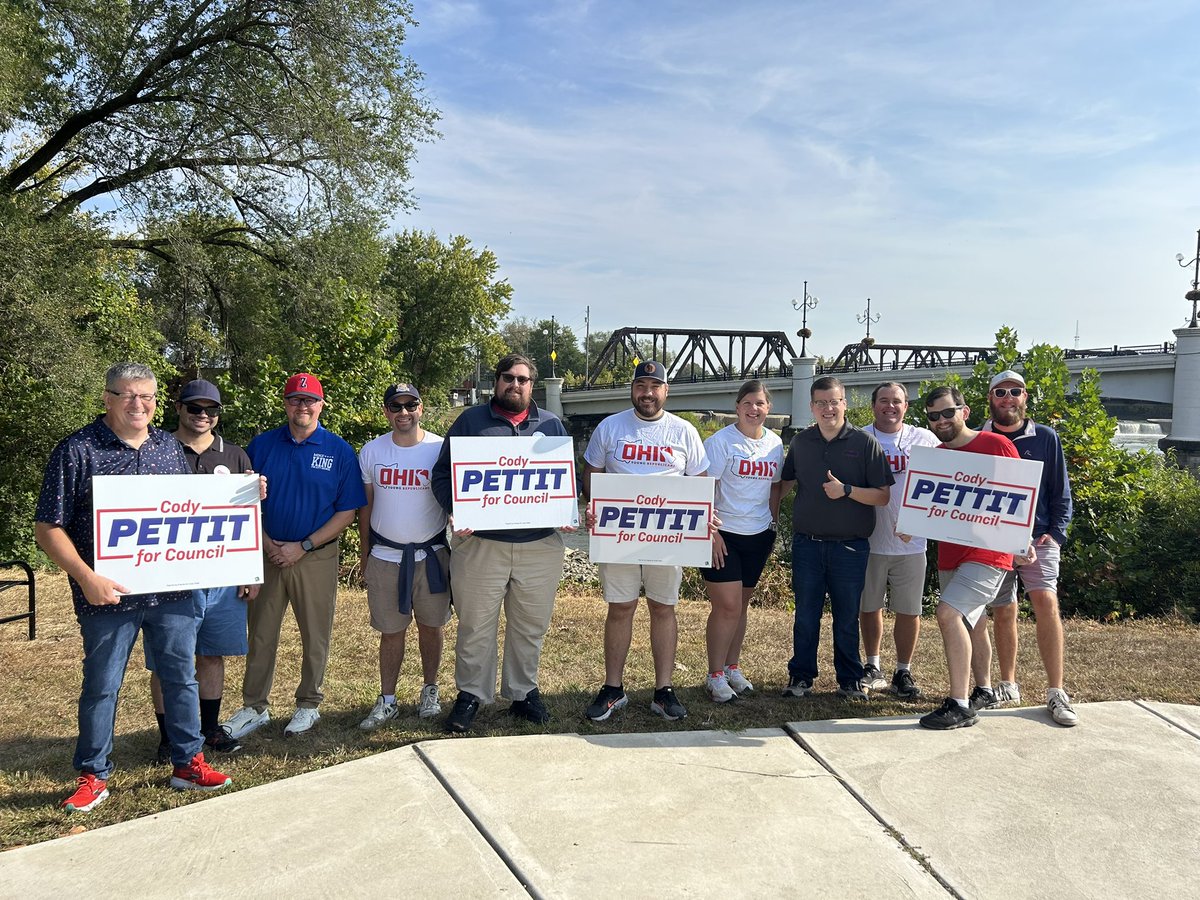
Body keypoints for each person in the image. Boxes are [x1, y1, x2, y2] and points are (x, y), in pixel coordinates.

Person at [35, 363, 231, 813]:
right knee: (102, 685)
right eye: (127, 395)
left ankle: (188, 763)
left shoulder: (167, 447)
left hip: (172, 592)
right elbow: (48, 527)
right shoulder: (77, 450)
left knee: (181, 677)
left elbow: (189, 512)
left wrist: (244, 495)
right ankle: (93, 774)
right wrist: (87, 578)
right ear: (107, 398)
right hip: (108, 594)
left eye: (146, 396)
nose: (138, 404)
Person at [430, 354, 571, 734]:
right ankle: (471, 694)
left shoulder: (552, 425)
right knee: (475, 624)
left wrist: (566, 509)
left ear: (532, 385)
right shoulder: (470, 422)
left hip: (539, 546)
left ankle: (523, 692)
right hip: (480, 545)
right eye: (508, 378)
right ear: (496, 382)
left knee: (531, 625)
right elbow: (441, 475)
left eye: (523, 379)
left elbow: (561, 481)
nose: (515, 384)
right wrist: (455, 508)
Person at [222, 373, 366, 739]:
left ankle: (308, 705)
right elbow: (241, 501)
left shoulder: (338, 450)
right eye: (295, 400)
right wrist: (268, 543)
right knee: (261, 634)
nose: (302, 406)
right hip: (268, 552)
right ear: (285, 404)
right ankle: (255, 706)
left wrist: (302, 547)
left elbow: (347, 511)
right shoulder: (262, 445)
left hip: (314, 555)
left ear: (321, 405)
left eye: (309, 400)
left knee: (315, 634)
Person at [582, 360, 710, 722]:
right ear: (632, 389)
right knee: (620, 607)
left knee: (662, 607)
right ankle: (613, 688)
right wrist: (596, 508)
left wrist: (704, 518)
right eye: (641, 386)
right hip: (620, 534)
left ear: (666, 391)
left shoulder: (684, 431)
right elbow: (592, 478)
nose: (648, 393)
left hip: (669, 537)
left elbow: (700, 485)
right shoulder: (610, 427)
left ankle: (663, 690)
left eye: (655, 386)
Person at [147, 379, 259, 762]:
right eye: (195, 408)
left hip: (223, 577)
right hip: (169, 577)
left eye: (211, 410)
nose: (203, 416)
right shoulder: (155, 451)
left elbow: (248, 520)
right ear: (178, 408)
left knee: (212, 655)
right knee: (169, 659)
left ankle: (209, 729)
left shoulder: (236, 456)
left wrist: (250, 570)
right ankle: (169, 737)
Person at [917, 386, 1028, 730]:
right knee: (972, 622)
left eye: (948, 412)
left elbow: (1020, 494)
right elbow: (932, 506)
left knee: (948, 614)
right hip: (951, 554)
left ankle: (959, 704)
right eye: (934, 416)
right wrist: (913, 524)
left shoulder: (996, 445)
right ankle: (984, 689)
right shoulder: (937, 456)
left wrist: (1022, 541)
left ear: (964, 412)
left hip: (989, 553)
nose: (941, 421)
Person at [777, 376, 892, 701]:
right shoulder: (801, 443)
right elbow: (784, 483)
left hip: (850, 547)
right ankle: (800, 677)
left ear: (844, 403)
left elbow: (882, 497)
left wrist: (847, 491)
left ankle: (850, 680)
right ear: (812, 407)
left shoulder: (865, 443)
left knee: (846, 617)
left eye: (834, 401)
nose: (828, 408)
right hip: (807, 546)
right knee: (805, 616)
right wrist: (767, 516)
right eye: (821, 403)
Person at [973, 370, 1077, 726]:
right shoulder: (978, 436)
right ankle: (1007, 684)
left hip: (1039, 537)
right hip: (992, 539)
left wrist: (1056, 534)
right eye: (1000, 391)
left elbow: (1060, 492)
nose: (1007, 397)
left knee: (1046, 602)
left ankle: (1056, 691)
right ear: (990, 398)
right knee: (1002, 610)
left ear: (1025, 397)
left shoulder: (1045, 438)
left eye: (1014, 391)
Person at [357, 383, 450, 729]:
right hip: (386, 555)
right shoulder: (371, 451)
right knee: (391, 630)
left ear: (421, 408)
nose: (403, 412)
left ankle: (430, 690)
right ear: (386, 412)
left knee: (432, 626)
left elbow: (459, 495)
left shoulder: (440, 448)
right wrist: (365, 556)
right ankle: (388, 699)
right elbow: (365, 509)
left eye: (411, 405)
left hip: (432, 554)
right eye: (396, 407)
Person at [700, 380, 784, 702]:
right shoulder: (721, 442)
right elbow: (704, 488)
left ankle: (732, 667)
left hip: (759, 534)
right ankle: (715, 674)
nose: (754, 409)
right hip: (724, 535)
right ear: (737, 407)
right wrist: (712, 532)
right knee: (727, 605)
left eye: (760, 403)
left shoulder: (775, 444)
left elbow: (775, 486)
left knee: (742, 605)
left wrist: (773, 522)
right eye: (747, 403)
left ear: (768, 408)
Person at [858, 382, 940, 699]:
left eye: (897, 401)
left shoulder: (925, 439)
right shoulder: (860, 437)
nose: (889, 406)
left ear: (906, 406)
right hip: (869, 539)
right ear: (874, 405)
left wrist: (923, 522)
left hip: (912, 543)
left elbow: (947, 479)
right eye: (883, 401)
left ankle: (903, 670)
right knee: (870, 606)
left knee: (909, 610)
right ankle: (872, 665)